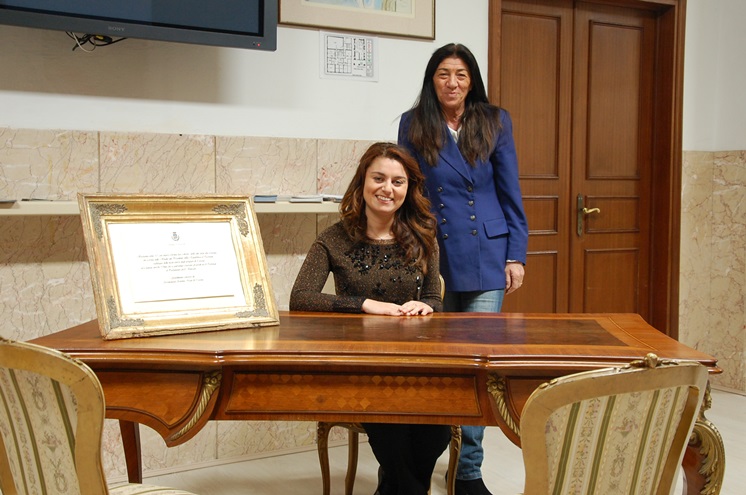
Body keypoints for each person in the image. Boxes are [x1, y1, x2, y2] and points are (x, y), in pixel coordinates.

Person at [397, 43, 529, 495]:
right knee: (439, 362)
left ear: (472, 81)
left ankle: (468, 471)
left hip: (488, 252)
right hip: (435, 252)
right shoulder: (414, 123)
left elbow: (510, 190)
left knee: (479, 362)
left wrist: (516, 255)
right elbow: (407, 189)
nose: (452, 83)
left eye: (460, 75)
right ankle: (423, 459)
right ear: (432, 80)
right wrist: (404, 246)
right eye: (443, 74)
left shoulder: (495, 121)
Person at [289, 141, 450, 495]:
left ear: (408, 188)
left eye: (398, 181)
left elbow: (434, 299)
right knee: (391, 429)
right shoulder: (335, 238)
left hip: (416, 362)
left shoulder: (424, 235)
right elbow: (300, 298)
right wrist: (364, 304)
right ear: (362, 181)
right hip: (361, 365)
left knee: (437, 432)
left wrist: (427, 307)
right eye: (379, 178)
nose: (387, 189)